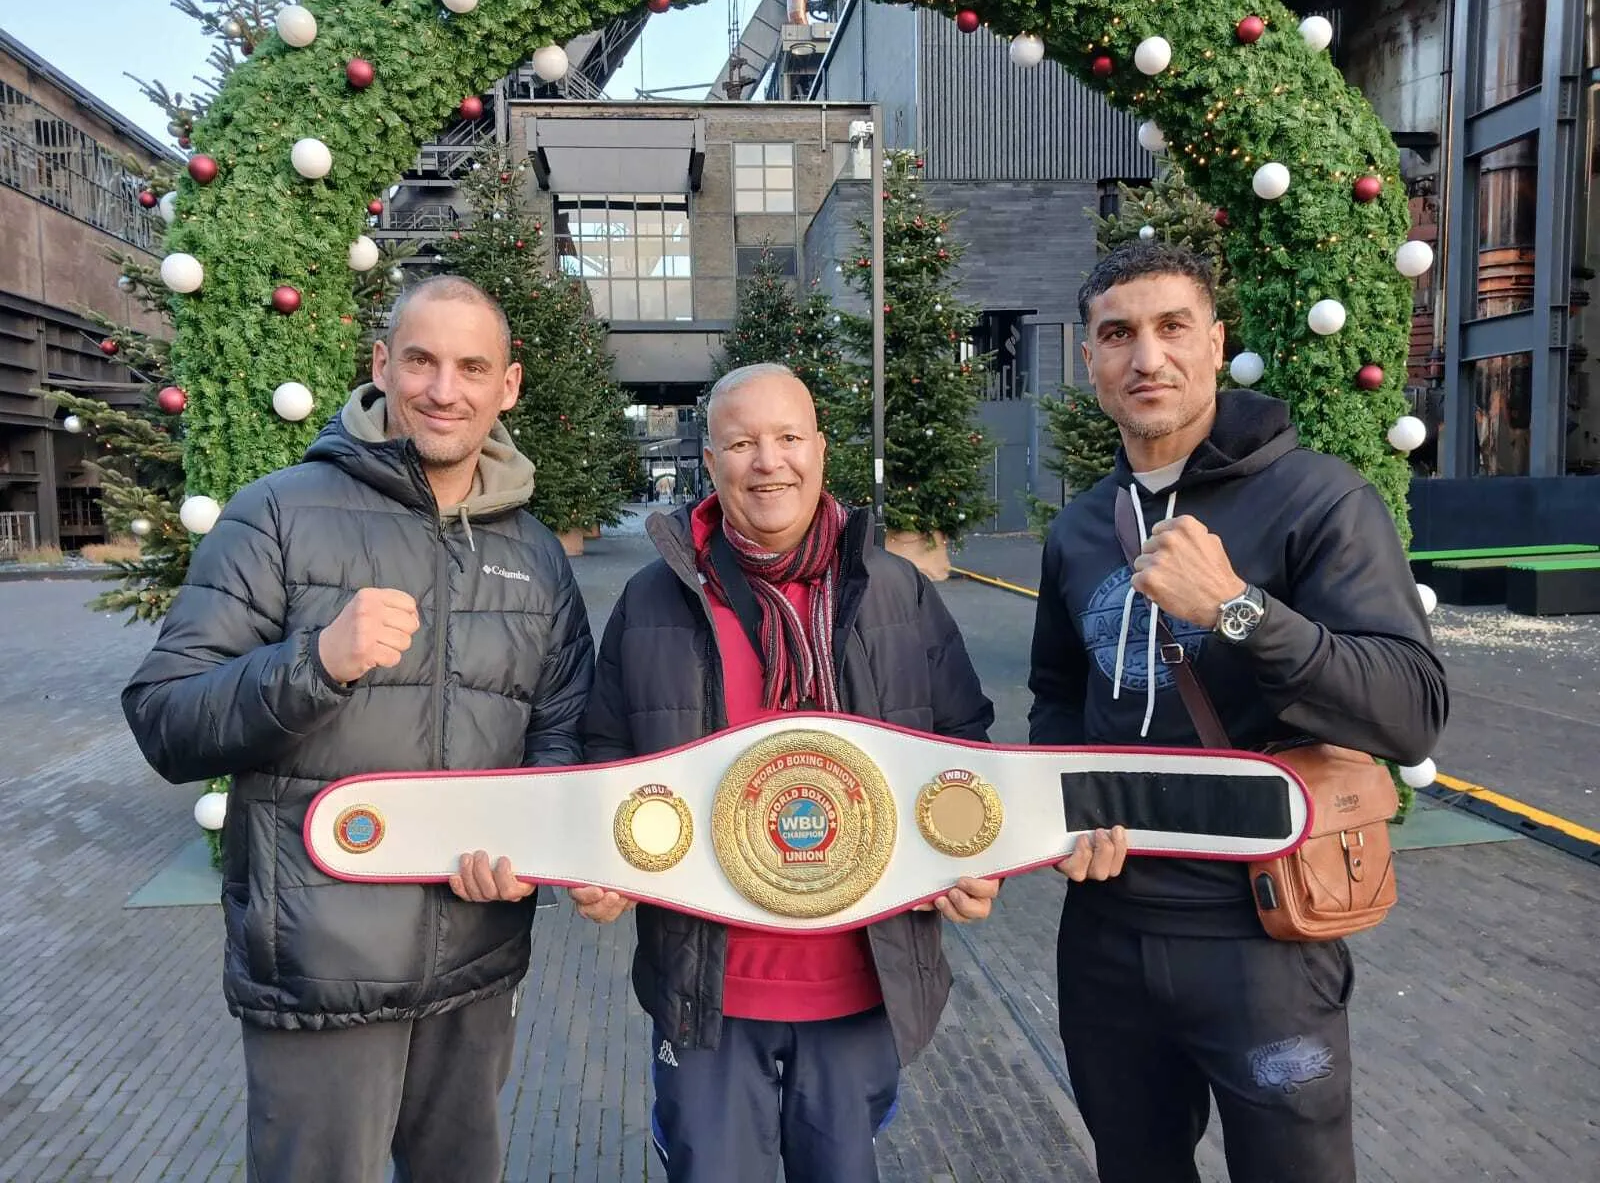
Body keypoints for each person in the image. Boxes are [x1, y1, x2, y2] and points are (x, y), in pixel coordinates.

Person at [576, 363, 1107, 1183]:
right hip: (709, 982)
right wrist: (603, 864)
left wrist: (971, 864)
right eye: (743, 442)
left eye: (788, 438)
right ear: (709, 460)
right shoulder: (653, 599)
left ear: (821, 450)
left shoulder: (896, 590)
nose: (769, 462)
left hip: (859, 978)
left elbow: (963, 753)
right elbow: (605, 755)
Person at [122, 276, 596, 1183]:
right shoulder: (278, 514)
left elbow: (561, 732)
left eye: (471, 367)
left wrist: (532, 840)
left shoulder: (533, 550)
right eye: (419, 360)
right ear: (381, 366)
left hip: (476, 967)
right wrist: (315, 663)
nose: (442, 389)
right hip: (319, 974)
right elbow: (164, 717)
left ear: (509, 387)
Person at [1028, 242, 1449, 1183]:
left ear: (1216, 345)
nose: (1148, 358)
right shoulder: (1080, 526)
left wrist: (1237, 608)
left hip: (1264, 935)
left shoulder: (1320, 498)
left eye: (1173, 328)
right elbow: (1059, 693)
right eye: (1118, 335)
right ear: (1089, 359)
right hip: (1107, 931)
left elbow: (1412, 712)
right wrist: (1067, 805)